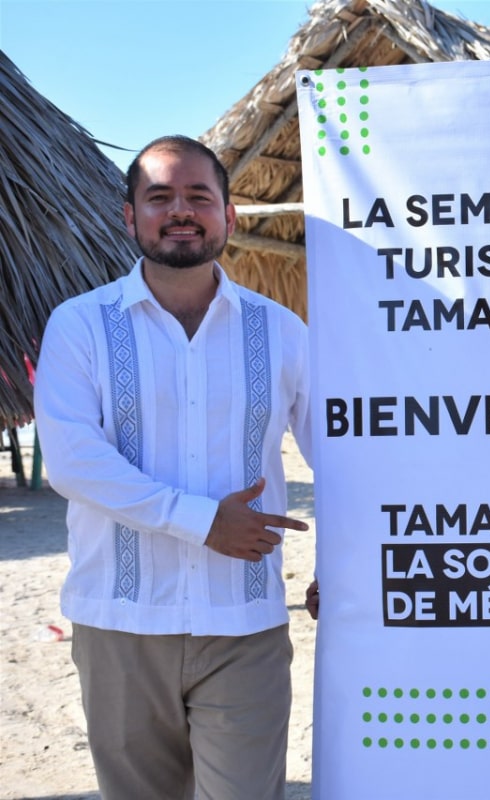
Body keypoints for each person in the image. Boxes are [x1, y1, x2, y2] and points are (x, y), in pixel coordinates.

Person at [34, 135, 313, 800]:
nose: (181, 211)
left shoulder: (282, 331)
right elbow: (72, 461)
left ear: (229, 215)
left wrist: (344, 567)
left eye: (198, 196)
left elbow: (340, 455)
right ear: (129, 216)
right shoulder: (80, 326)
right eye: (160, 197)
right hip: (119, 624)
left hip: (244, 624)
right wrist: (201, 521)